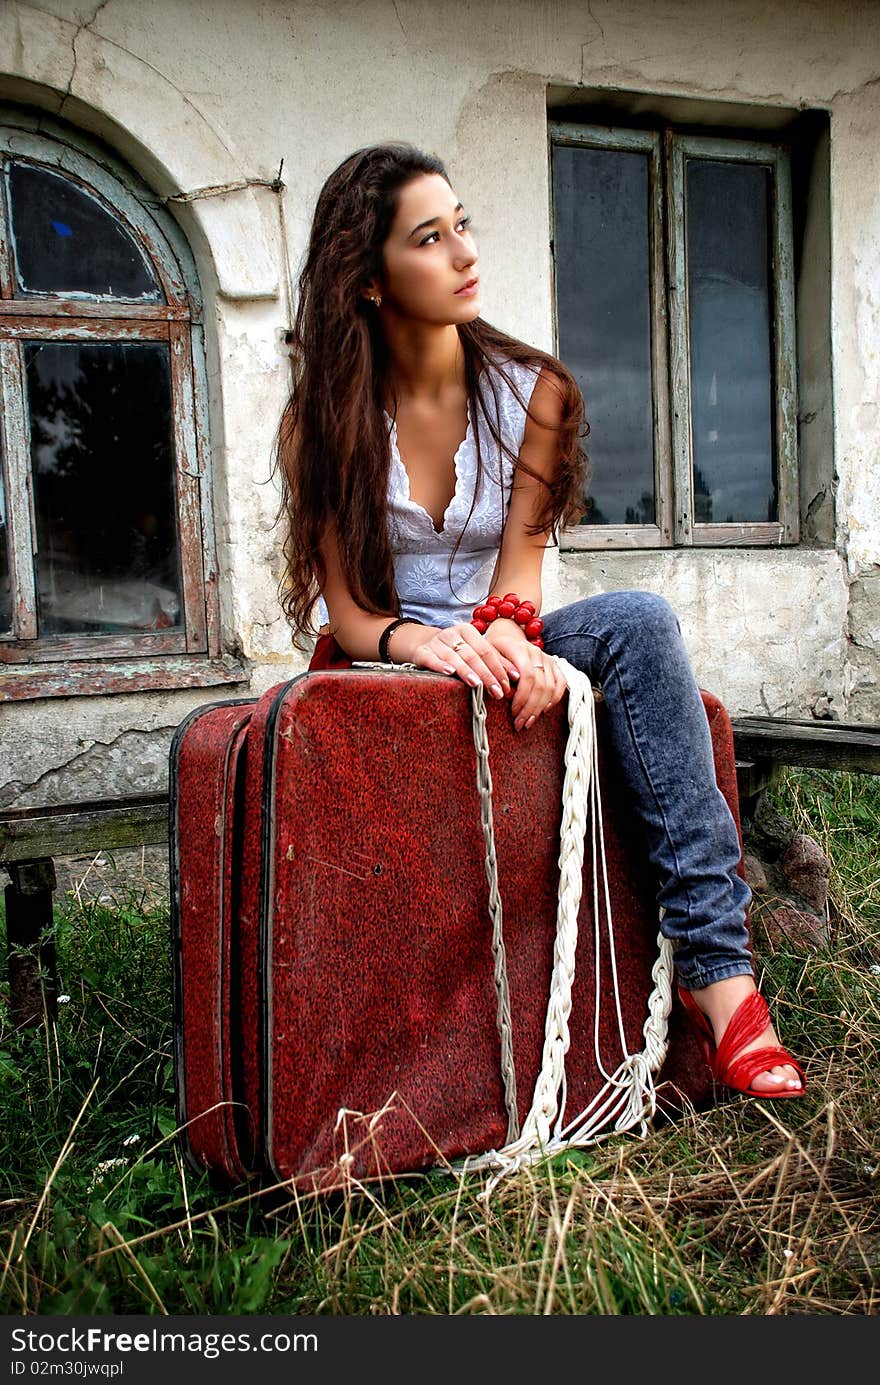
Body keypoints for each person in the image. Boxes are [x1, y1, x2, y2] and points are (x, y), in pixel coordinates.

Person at [272, 142, 805, 1100]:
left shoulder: (534, 393)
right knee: (397, 686)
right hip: (386, 662)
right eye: (429, 239)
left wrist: (515, 641)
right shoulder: (326, 418)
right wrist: (422, 645)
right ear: (368, 279)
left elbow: (519, 572)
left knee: (638, 622)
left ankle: (721, 986)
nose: (465, 253)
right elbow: (350, 613)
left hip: (502, 626)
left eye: (462, 225)